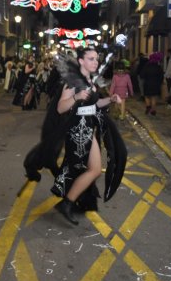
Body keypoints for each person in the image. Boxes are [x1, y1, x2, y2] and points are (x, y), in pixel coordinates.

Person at [46, 48, 126, 225]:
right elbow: (60, 108)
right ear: (81, 61)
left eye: (97, 59)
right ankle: (67, 203)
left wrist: (110, 99)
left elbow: (95, 104)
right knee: (93, 169)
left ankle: (68, 202)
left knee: (94, 169)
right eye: (91, 59)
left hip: (89, 127)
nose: (95, 62)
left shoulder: (91, 81)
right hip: (77, 130)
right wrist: (76, 96)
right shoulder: (72, 82)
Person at [140, 52, 164, 116]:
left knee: (147, 96)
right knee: (154, 97)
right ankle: (153, 109)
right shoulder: (159, 67)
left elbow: (142, 75)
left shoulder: (147, 66)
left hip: (147, 83)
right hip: (156, 84)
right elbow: (161, 77)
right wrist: (160, 83)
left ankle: (148, 106)